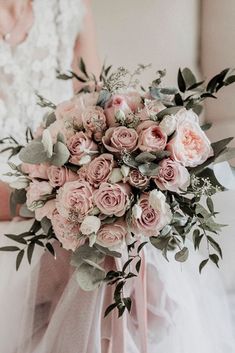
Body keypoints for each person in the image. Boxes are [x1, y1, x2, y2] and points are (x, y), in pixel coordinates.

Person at [0, 1, 235, 352]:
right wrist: (55, 198)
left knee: (129, 234)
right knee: (98, 254)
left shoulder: (69, 7)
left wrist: (115, 178)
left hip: (57, 187)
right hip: (22, 198)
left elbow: (94, 108)